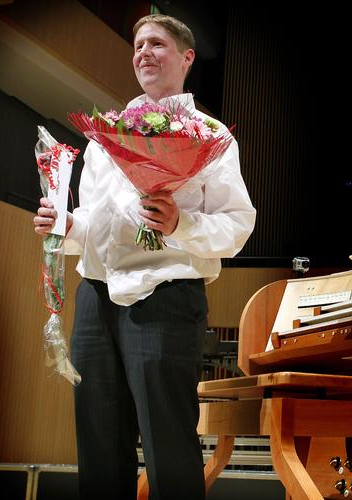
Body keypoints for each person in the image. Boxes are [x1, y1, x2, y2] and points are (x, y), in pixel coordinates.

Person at [33, 14, 255, 500]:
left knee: (168, 445)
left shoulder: (210, 135)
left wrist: (179, 224)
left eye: (157, 43)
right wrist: (66, 225)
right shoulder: (106, 134)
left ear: (187, 57)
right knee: (98, 446)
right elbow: (95, 224)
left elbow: (237, 225)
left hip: (165, 297)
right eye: (138, 46)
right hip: (96, 298)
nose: (144, 53)